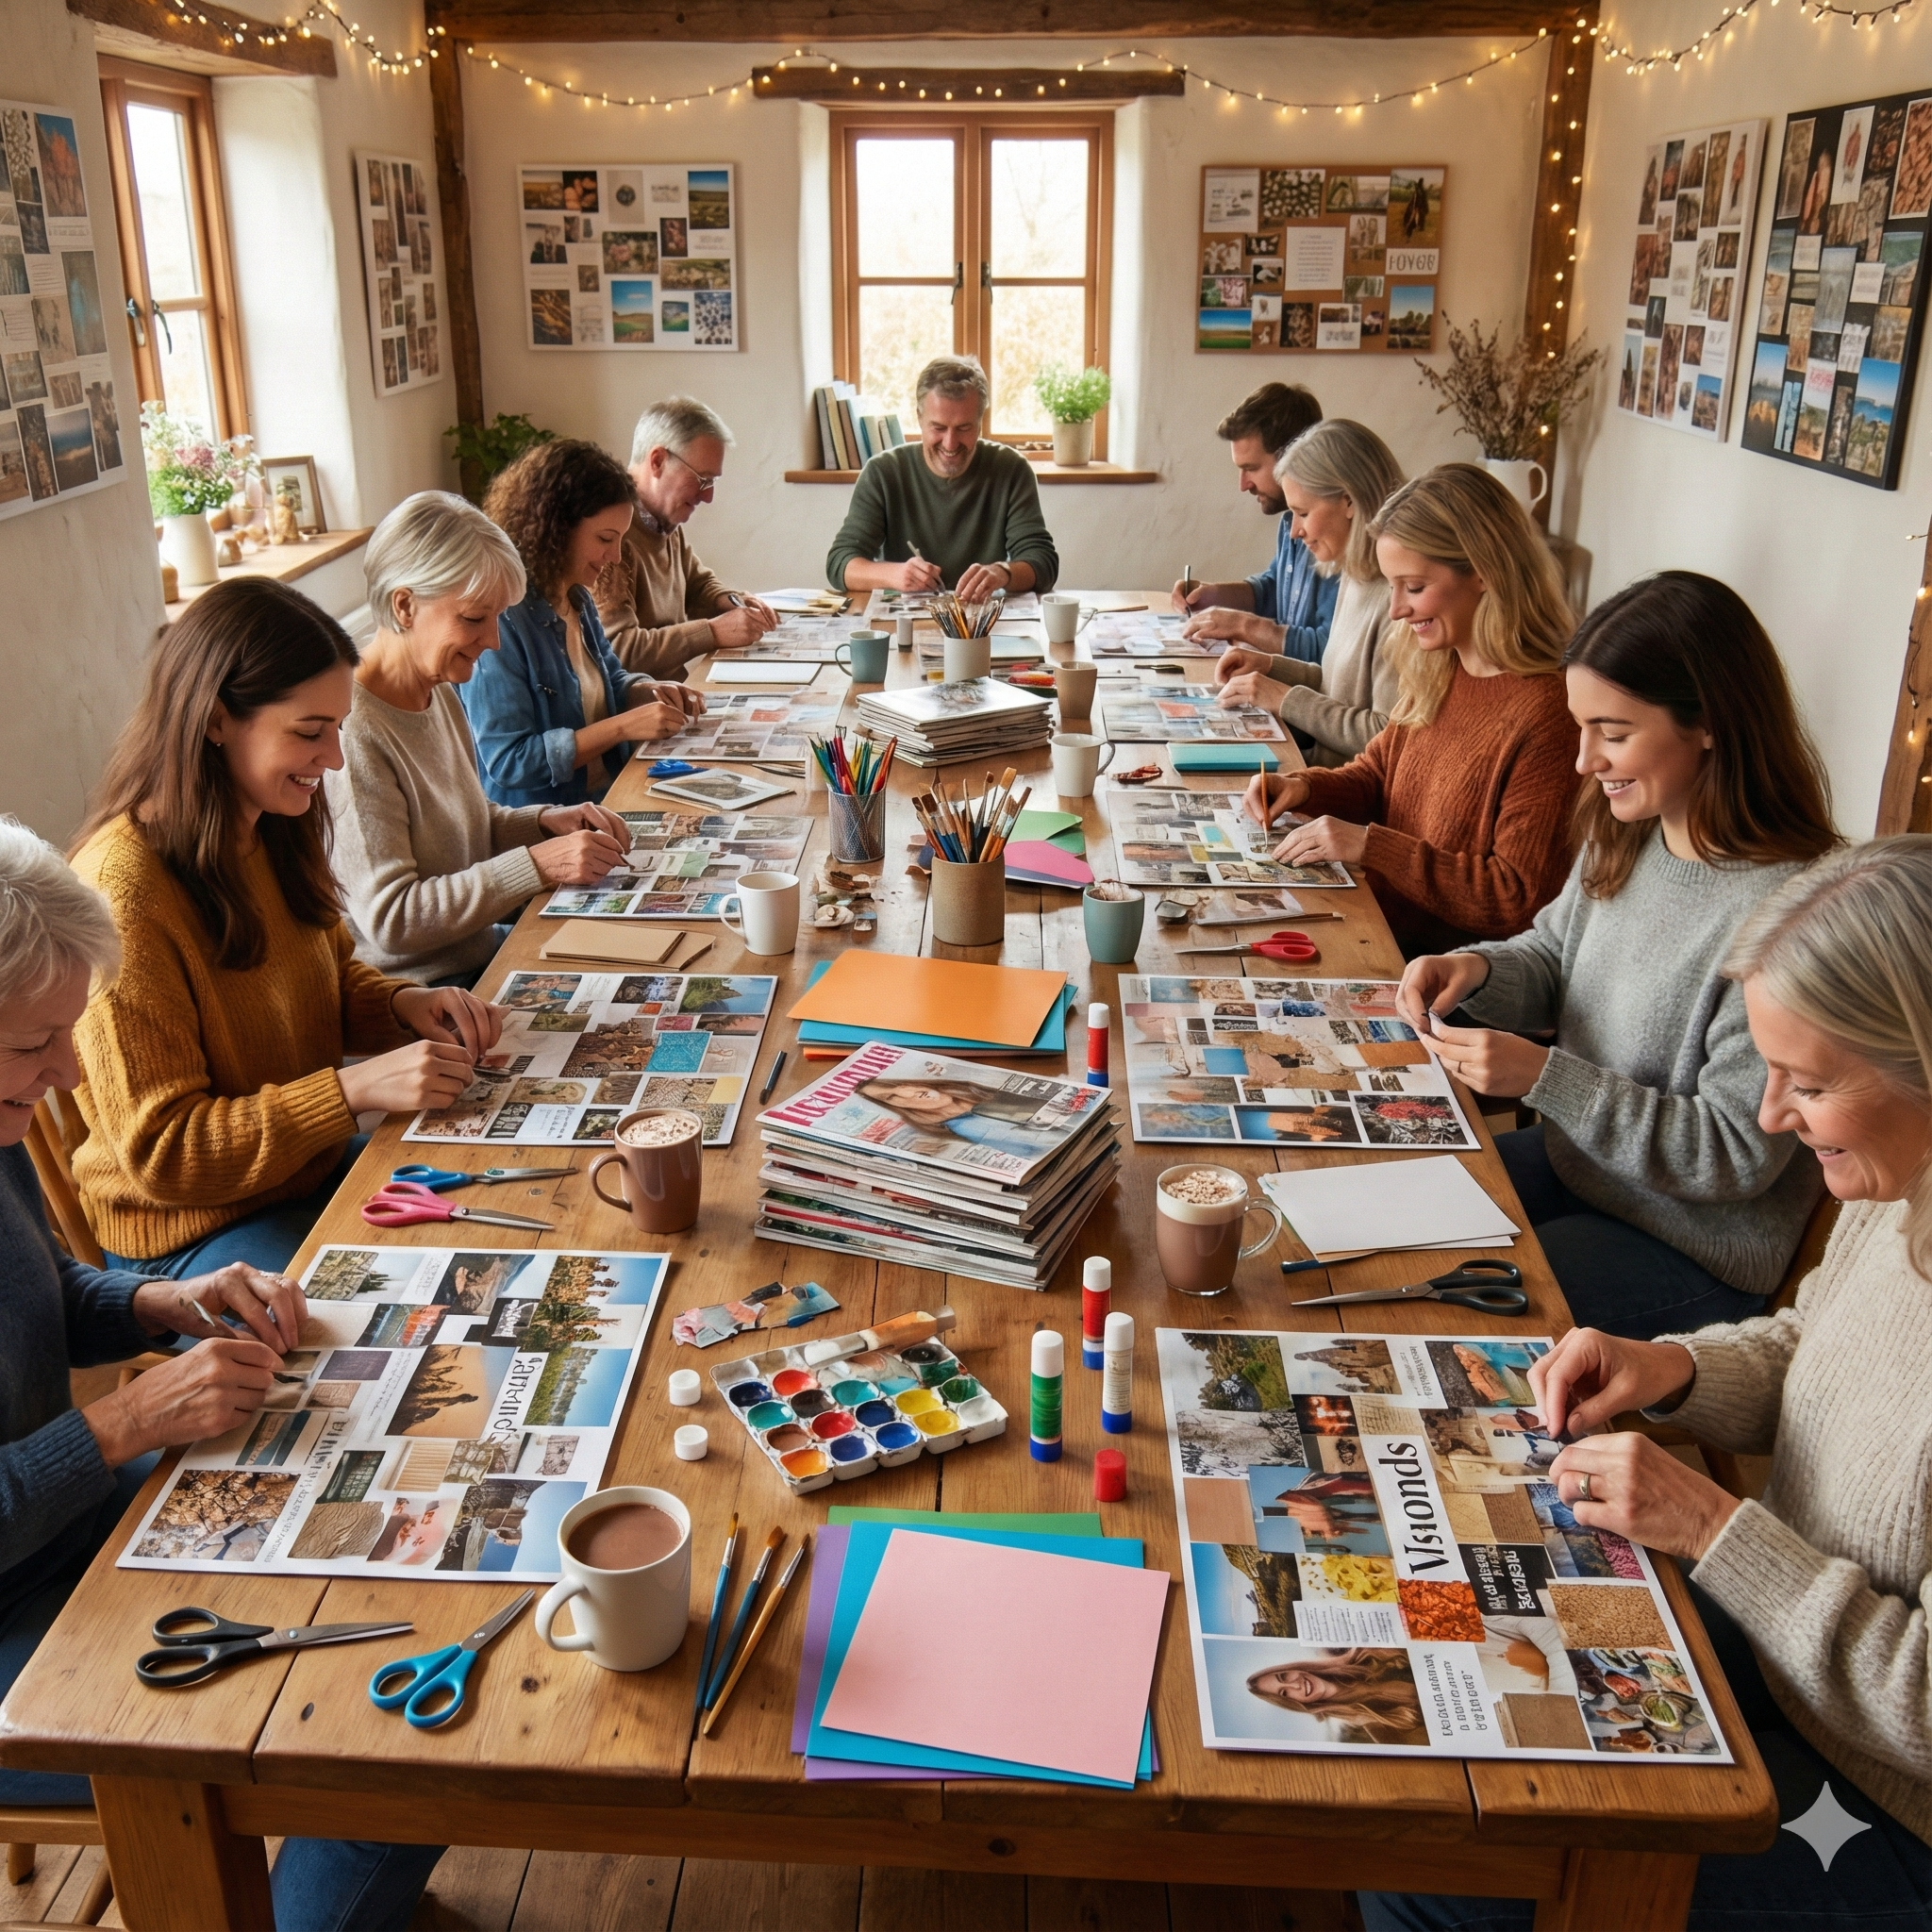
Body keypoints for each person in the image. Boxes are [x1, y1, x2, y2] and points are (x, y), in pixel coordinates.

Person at [1363, 836, 1932, 1932]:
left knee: (1445, 1867)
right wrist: (1668, 1367)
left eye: (1806, 1083)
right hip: (1794, 1656)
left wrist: (1711, 1526)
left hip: (1894, 1805)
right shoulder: (1892, 1183)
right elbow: (1811, 1341)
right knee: (1428, 1719)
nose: (1768, 1116)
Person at [0, 817, 444, 1932]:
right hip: (21, 1607)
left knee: (412, 1611)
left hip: (68, 1530)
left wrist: (161, 1300)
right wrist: (117, 1426)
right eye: (32, 1046)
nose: (63, 1077)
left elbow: (45, 1295)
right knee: (377, 1749)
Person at [1396, 574, 1840, 1340]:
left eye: (1613, 731)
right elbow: (1555, 954)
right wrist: (1476, 968)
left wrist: (1544, 1078)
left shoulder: (1794, 911)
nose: (1582, 761)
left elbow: (1734, 1155)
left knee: (1437, 1304)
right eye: (1580, 727)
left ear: (1709, 723)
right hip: (1586, 1171)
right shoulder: (1630, 829)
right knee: (1393, 1227)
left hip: (1693, 1245)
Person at [68, 578, 500, 1276]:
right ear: (214, 720)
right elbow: (165, 1154)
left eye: (338, 727)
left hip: (299, 1171)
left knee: (496, 1194)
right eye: (309, 732)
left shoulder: (270, 823)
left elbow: (324, 973)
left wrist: (403, 1006)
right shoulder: (124, 893)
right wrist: (352, 1091)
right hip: (191, 1231)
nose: (332, 759)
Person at [1241, 464, 1578, 957]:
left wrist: (1370, 846)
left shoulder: (1549, 713)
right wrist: (1304, 787)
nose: (1396, 609)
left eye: (1413, 587)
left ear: (1484, 572)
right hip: (1381, 933)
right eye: (1392, 586)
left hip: (1445, 982)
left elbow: (1515, 899)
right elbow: (1378, 775)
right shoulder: (1440, 665)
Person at [329, 491, 632, 988]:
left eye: (497, 618)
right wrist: (537, 864)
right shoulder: (355, 730)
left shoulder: (438, 690)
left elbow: (469, 824)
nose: (493, 641)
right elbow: (393, 920)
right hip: (423, 997)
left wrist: (545, 823)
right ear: (405, 605)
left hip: (480, 956)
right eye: (473, 618)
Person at [464, 439, 702, 808]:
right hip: (549, 825)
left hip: (607, 799)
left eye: (621, 539)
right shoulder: (503, 618)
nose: (616, 556)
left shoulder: (577, 597)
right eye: (606, 539)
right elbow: (509, 761)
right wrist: (622, 727)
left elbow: (611, 680)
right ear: (556, 530)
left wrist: (651, 691)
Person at [1209, 419, 1404, 765]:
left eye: (1302, 512)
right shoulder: (1355, 574)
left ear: (1349, 500)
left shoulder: (1399, 599)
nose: (1295, 531)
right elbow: (1336, 687)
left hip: (1343, 797)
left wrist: (1285, 698)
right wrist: (1270, 667)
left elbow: (1387, 735)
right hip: (1320, 777)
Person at [825, 356, 1058, 601]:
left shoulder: (1011, 469)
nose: (950, 443)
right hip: (904, 626)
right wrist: (896, 574)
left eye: (964, 428)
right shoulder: (882, 472)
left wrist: (1003, 572)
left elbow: (1043, 563)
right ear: (919, 418)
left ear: (980, 423)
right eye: (938, 428)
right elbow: (840, 562)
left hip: (982, 628)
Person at [595, 395, 777, 678]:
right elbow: (618, 649)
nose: (708, 495)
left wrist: (732, 600)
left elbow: (696, 584)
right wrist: (714, 631)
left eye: (713, 481)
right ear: (657, 461)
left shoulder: (663, 521)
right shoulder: (610, 536)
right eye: (703, 479)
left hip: (675, 695)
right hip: (640, 711)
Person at [1172, 381, 1338, 664]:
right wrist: (1214, 594)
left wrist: (1242, 625)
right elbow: (1274, 590)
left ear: (1293, 457)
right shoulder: (1290, 524)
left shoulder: (1334, 536)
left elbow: (1329, 651)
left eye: (1251, 468)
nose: (1243, 485)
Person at [1246, 1651, 1427, 1745]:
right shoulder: (1376, 1726)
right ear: (1294, 1704)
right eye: (1285, 1693)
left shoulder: (1366, 1654)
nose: (1296, 1685)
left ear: (1294, 1667)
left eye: (1284, 1676)